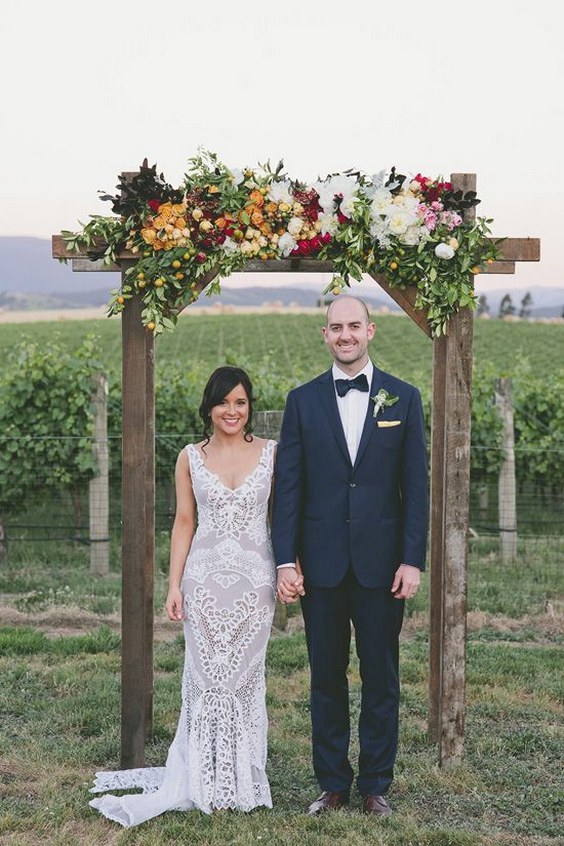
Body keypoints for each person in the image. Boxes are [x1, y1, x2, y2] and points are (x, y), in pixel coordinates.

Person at [90, 365, 286, 826]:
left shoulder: (274, 455)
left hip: (254, 587)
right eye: (223, 402)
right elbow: (184, 522)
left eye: (240, 402)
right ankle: (205, 780)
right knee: (206, 681)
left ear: (250, 406)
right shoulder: (189, 458)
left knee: (243, 680)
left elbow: (285, 520)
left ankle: (241, 778)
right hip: (203, 584)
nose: (232, 411)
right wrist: (174, 584)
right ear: (209, 407)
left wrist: (286, 570)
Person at [272, 295, 429, 817]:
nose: (345, 334)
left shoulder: (403, 400)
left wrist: (412, 559)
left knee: (382, 676)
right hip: (320, 567)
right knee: (325, 678)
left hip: (383, 568)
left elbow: (415, 489)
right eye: (335, 327)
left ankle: (376, 785)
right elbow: (289, 488)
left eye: (353, 326)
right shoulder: (302, 401)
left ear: (371, 331)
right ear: (325, 335)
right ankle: (333, 783)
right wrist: (285, 560)